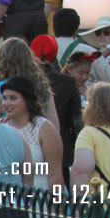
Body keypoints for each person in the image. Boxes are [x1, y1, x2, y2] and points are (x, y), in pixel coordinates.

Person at [32, 34, 82, 187]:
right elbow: (76, 120)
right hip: (62, 149)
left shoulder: (25, 80)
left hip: (32, 146)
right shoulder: (68, 82)